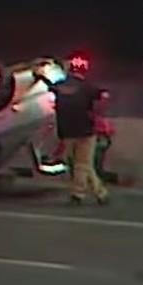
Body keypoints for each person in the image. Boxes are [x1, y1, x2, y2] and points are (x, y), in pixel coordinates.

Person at [50, 52, 110, 205]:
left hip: (67, 131)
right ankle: (85, 193)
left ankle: (93, 192)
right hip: (85, 130)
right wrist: (97, 115)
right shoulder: (88, 87)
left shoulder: (59, 85)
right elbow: (103, 96)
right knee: (83, 164)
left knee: (78, 164)